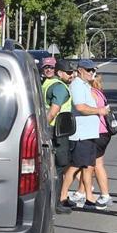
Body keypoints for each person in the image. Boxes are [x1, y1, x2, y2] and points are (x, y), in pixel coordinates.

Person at [65, 59, 113, 212]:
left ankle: (89, 196)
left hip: (91, 133)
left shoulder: (86, 86)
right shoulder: (77, 85)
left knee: (88, 166)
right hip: (82, 133)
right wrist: (100, 111)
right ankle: (63, 196)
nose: (92, 73)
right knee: (75, 166)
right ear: (80, 70)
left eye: (93, 70)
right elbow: (80, 107)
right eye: (88, 70)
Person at [42, 58, 74, 214]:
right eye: (68, 73)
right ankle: (56, 204)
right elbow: (54, 110)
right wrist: (44, 127)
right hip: (57, 132)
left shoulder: (45, 84)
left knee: (52, 167)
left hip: (53, 130)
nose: (72, 75)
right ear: (59, 73)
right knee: (59, 168)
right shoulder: (59, 87)